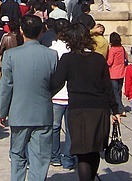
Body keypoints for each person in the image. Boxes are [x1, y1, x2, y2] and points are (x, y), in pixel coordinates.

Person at [50, 22, 120, 181]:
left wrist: (43, 95)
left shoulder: (67, 59)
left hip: (78, 110)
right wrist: (115, 110)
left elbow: (56, 83)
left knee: (82, 153)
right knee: (94, 150)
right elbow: (107, 87)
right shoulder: (99, 59)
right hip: (99, 109)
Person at [0, 15, 59, 181]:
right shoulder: (52, 55)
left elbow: (5, 86)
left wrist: (2, 110)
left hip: (19, 112)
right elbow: (57, 82)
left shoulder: (10, 55)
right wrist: (47, 95)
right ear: (41, 32)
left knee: (17, 154)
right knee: (40, 158)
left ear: (21, 31)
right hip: (42, 112)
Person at [49, 18, 76, 169]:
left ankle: (55, 156)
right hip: (71, 93)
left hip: (56, 94)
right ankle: (68, 158)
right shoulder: (74, 50)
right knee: (71, 128)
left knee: (54, 127)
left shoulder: (51, 50)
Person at [106, 32, 127, 116]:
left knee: (114, 93)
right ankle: (119, 107)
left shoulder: (112, 49)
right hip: (121, 73)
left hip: (113, 73)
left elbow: (110, 62)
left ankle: (120, 109)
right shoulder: (122, 48)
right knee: (118, 92)